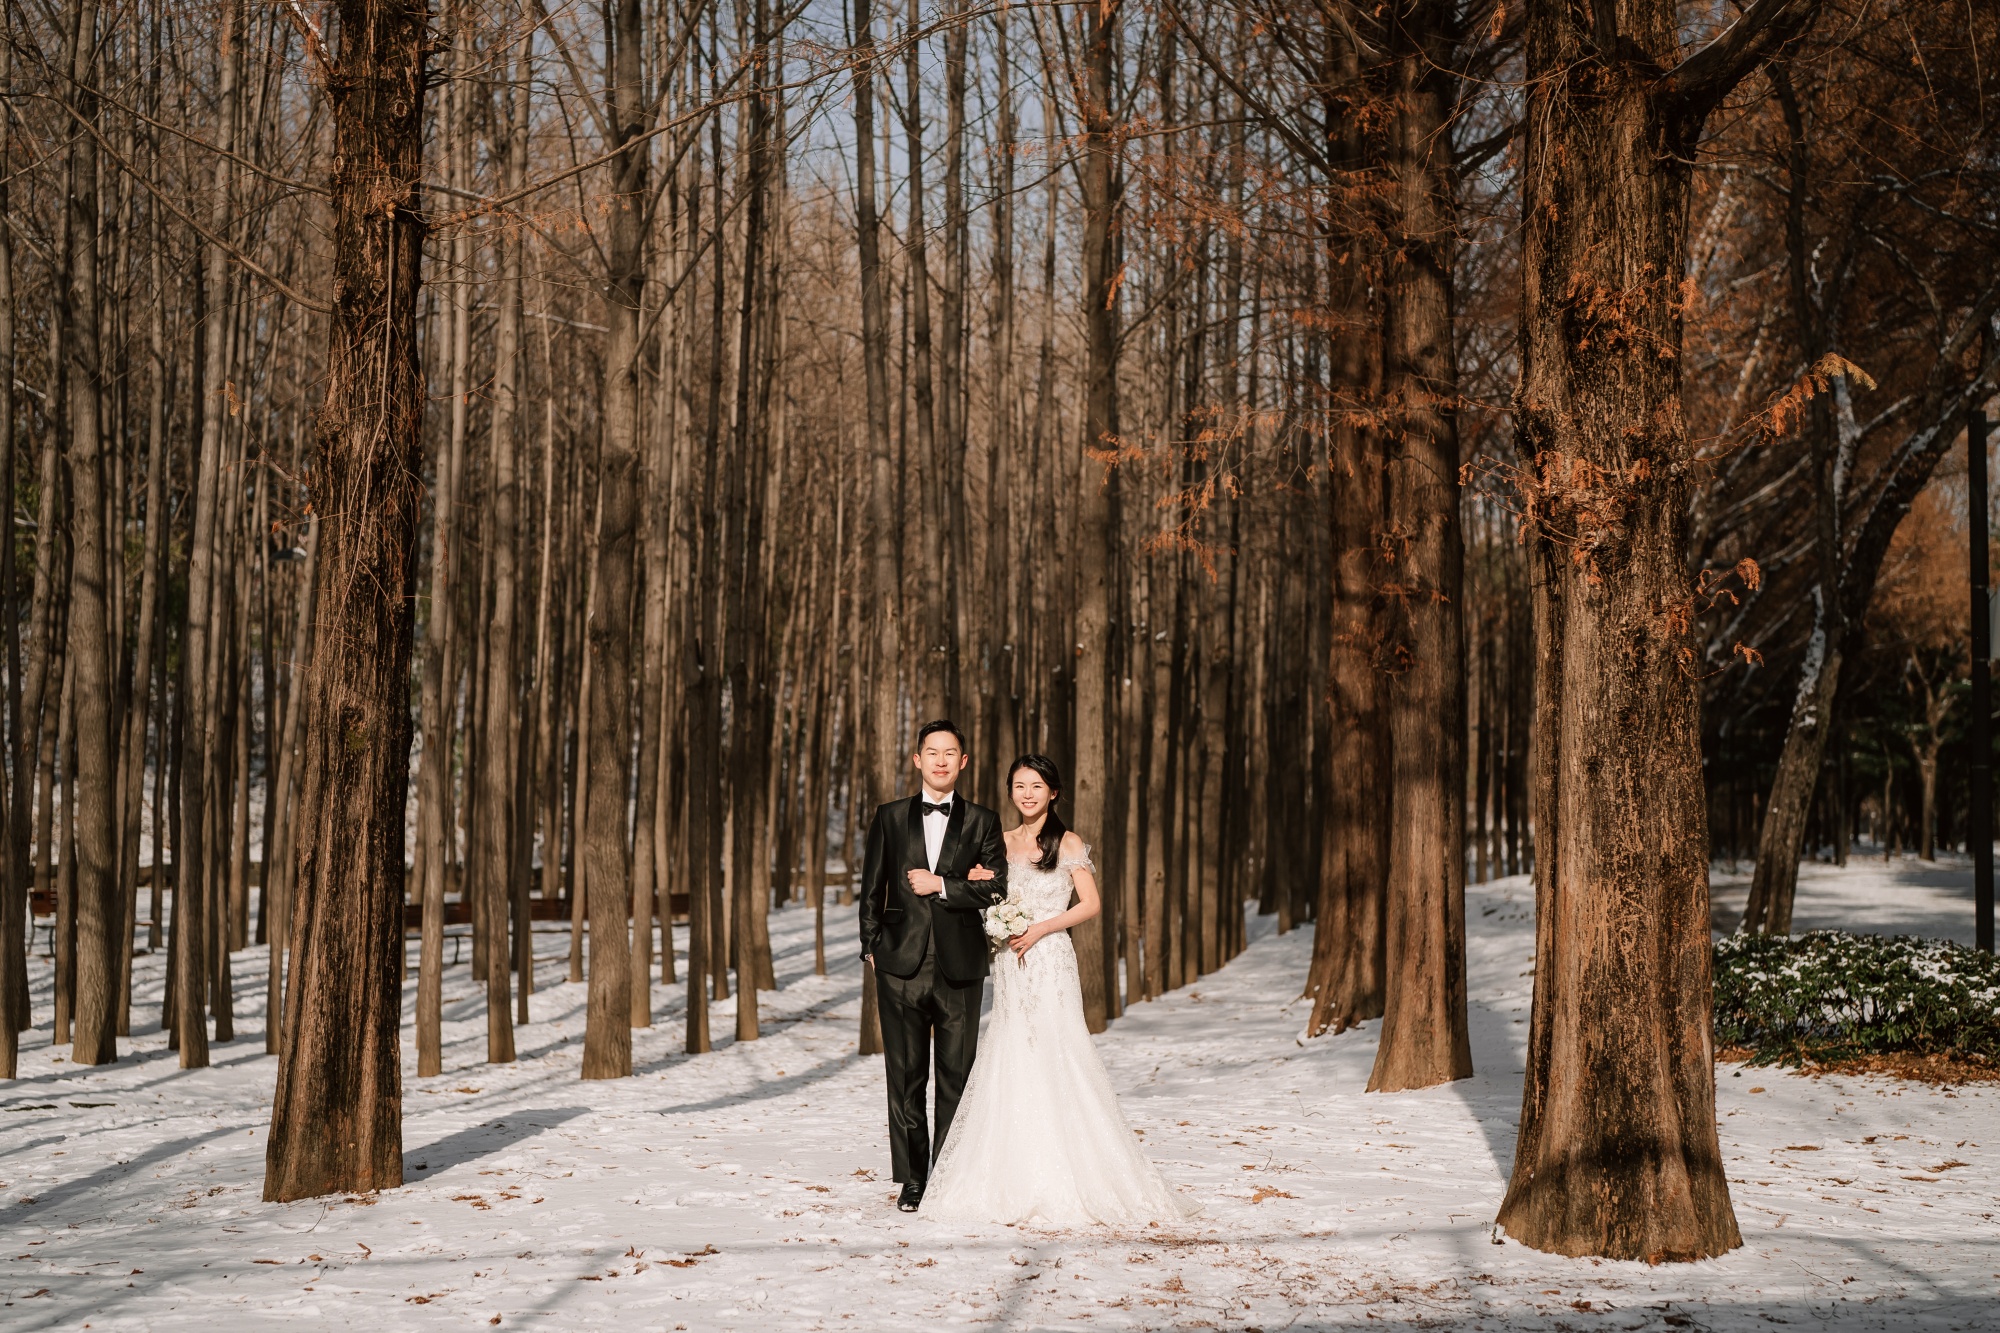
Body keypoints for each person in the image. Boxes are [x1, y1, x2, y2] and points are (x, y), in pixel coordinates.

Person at [919, 754, 1194, 1226]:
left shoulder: (1067, 843)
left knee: (1056, 1050)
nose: (1027, 794)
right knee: (1011, 1050)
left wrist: (1042, 929)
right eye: (1019, 786)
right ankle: (1006, 1176)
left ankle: (1074, 1173)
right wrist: (984, 893)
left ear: (1054, 793)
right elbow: (980, 893)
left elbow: (1091, 904)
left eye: (1037, 786)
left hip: (1049, 960)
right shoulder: (998, 842)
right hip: (1010, 960)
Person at [857, 720, 1009, 1213]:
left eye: (951, 753)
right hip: (899, 964)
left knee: (956, 1076)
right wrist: (871, 946)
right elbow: (872, 887)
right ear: (917, 759)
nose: (941, 760)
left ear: (964, 762)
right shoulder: (889, 816)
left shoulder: (984, 821)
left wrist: (943, 884)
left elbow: (997, 888)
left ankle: (948, 1174)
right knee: (904, 1077)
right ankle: (913, 1179)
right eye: (932, 752)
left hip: (959, 966)